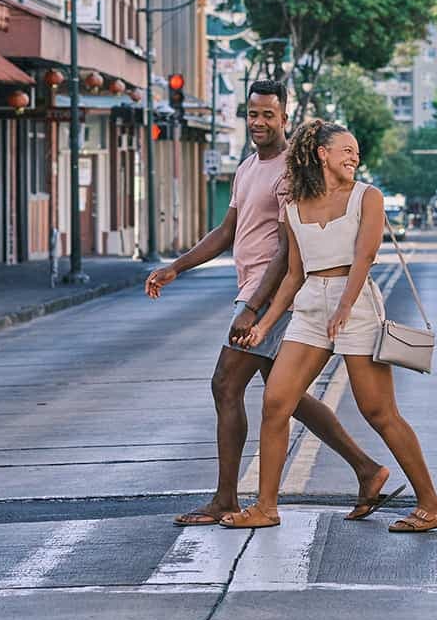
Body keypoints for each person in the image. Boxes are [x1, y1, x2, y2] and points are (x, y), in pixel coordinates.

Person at [144, 81, 387, 528]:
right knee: (287, 396)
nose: (258, 122)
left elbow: (285, 250)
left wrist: (254, 308)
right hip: (254, 289)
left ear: (285, 118)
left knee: (225, 384)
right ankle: (366, 469)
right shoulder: (247, 168)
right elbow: (227, 231)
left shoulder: (290, 174)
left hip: (272, 294)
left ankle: (225, 499)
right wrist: (176, 267)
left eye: (268, 115)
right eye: (252, 114)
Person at [225, 120, 437, 534]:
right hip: (310, 306)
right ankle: (266, 507)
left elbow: (364, 258)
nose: (354, 157)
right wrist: (263, 322)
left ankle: (431, 503)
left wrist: (344, 308)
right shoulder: (293, 207)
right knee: (276, 402)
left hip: (357, 304)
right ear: (321, 154)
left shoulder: (368, 197)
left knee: (379, 411)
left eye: (357, 151)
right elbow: (292, 276)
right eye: (346, 149)